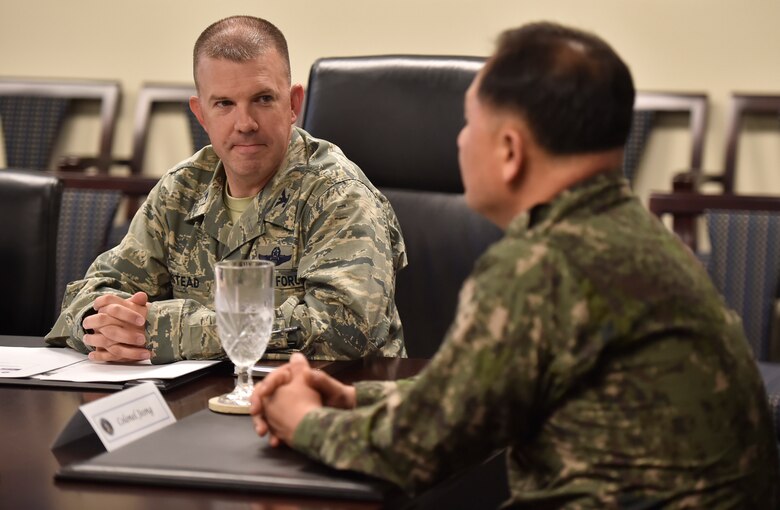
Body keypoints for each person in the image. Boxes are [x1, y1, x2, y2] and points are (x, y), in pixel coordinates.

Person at [250, 21, 779, 507]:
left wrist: (302, 421)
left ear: (509, 150)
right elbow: (479, 390)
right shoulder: (640, 241)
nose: (458, 141)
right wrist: (354, 398)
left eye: (468, 125)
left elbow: (414, 450)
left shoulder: (541, 265)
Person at [45, 16, 407, 364]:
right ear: (201, 113)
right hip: (202, 406)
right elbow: (91, 293)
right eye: (224, 104)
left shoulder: (339, 194)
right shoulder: (182, 189)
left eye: (263, 99)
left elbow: (346, 328)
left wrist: (171, 331)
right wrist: (103, 327)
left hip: (330, 411)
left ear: (293, 104)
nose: (245, 124)